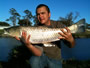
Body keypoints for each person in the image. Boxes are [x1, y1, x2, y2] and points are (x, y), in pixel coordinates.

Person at [15, 4, 75, 68]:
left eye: (43, 13)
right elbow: (38, 53)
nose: (40, 16)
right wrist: (28, 45)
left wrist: (71, 40)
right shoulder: (34, 29)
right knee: (33, 60)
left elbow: (71, 46)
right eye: (38, 14)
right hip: (41, 57)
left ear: (49, 14)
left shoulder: (58, 25)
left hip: (55, 58)